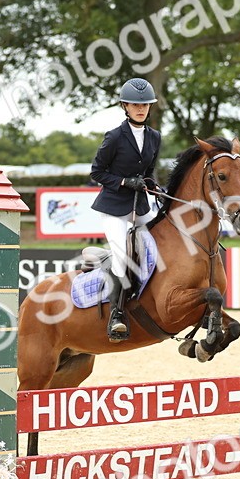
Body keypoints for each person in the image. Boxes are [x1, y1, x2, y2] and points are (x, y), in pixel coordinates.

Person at [89, 78, 163, 341]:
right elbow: (97, 172)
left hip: (139, 205)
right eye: (135, 105)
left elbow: (149, 171)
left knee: (163, 239)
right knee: (122, 256)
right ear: (125, 106)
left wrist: (153, 186)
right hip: (114, 207)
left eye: (145, 105)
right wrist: (123, 182)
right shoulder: (114, 137)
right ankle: (117, 315)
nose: (140, 109)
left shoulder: (154, 137)